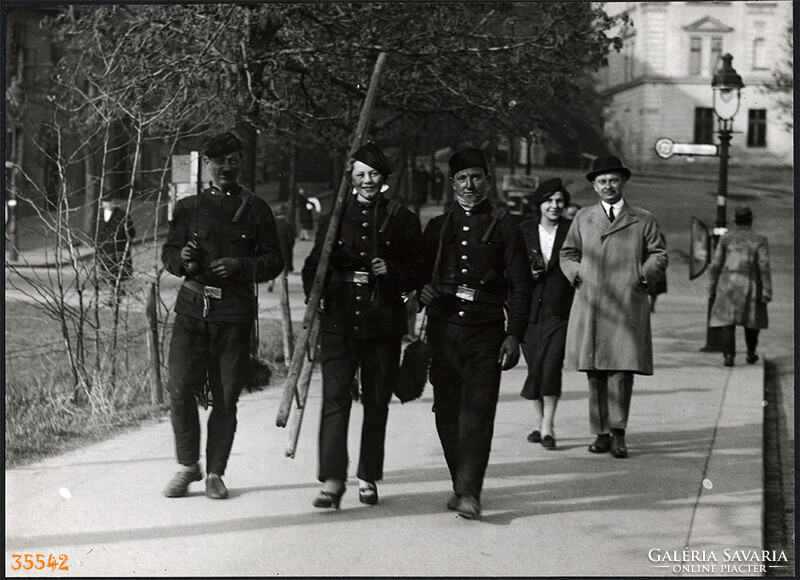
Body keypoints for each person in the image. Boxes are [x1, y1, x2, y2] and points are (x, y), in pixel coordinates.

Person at [161, 131, 284, 499]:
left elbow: (274, 260)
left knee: (225, 397)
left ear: (241, 163)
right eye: (219, 162)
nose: (226, 168)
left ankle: (215, 472)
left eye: (233, 161)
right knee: (180, 388)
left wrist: (240, 265)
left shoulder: (257, 209)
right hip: (191, 312)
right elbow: (168, 254)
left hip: (233, 316)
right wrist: (182, 261)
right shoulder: (188, 208)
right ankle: (188, 466)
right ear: (209, 165)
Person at [302, 142, 424, 509]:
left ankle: (368, 475)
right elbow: (313, 266)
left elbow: (417, 270)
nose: (367, 180)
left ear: (384, 178)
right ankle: (333, 480)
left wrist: (394, 272)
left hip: (382, 323)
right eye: (360, 175)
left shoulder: (403, 219)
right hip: (339, 320)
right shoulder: (335, 217)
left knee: (376, 402)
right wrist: (315, 294)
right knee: (335, 401)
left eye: (373, 174)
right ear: (351, 179)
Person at [419, 147, 531, 519]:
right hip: (445, 331)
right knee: (447, 414)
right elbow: (419, 276)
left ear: (488, 181)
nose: (470, 185)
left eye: (476, 177)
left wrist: (513, 334)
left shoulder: (505, 225)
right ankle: (459, 482)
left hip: (485, 333)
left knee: (477, 415)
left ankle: (470, 491)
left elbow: (520, 284)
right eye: (463, 179)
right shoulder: (438, 227)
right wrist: (422, 291)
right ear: (452, 185)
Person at [559, 155, 668, 459]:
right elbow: (567, 253)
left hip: (625, 303)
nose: (608, 186)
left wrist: (641, 276)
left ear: (623, 183)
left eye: (614, 180)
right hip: (592, 304)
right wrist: (577, 273)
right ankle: (601, 433)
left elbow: (659, 255)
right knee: (594, 371)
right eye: (602, 181)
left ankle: (618, 432)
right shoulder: (583, 218)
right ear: (594, 186)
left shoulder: (642, 219)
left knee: (621, 370)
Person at [518, 178, 575, 450]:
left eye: (559, 201)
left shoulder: (571, 231)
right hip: (529, 311)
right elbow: (511, 268)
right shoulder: (523, 230)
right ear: (539, 204)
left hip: (561, 308)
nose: (554, 206)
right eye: (549, 201)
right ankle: (538, 421)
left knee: (550, 365)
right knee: (535, 366)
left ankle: (548, 425)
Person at [708, 205, 771, 367]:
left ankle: (729, 355)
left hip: (728, 280)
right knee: (751, 320)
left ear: (735, 221)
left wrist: (712, 286)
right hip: (749, 281)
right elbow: (763, 265)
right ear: (750, 220)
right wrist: (766, 289)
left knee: (727, 319)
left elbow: (715, 264)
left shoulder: (726, 238)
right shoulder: (759, 239)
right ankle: (751, 353)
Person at [97, 197, 136, 285]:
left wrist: (124, 242)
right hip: (105, 250)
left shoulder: (122, 215)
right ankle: (112, 288)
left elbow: (131, 232)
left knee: (119, 273)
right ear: (102, 204)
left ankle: (118, 289)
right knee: (108, 272)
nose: (109, 204)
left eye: (110, 201)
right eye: (106, 202)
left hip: (119, 250)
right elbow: (97, 232)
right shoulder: (100, 216)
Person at [267, 203, 296, 292]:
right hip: (284, 253)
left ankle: (271, 282)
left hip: (272, 252)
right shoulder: (287, 226)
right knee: (283, 274)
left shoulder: (271, 225)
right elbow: (291, 241)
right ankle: (283, 292)